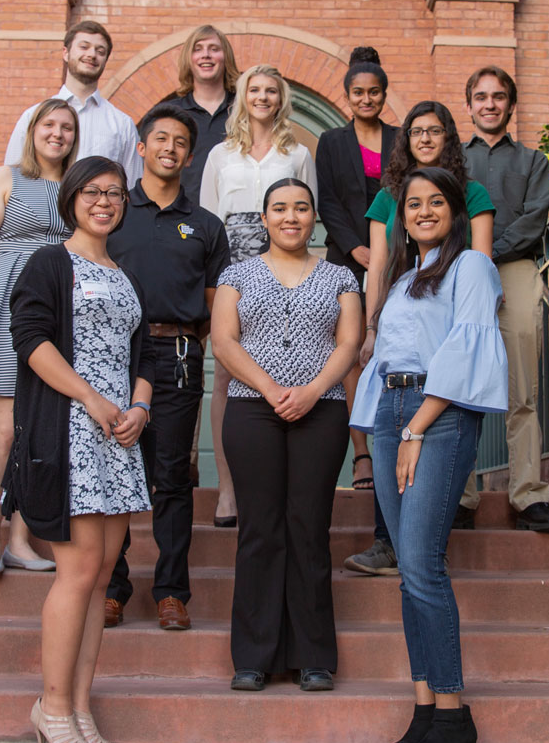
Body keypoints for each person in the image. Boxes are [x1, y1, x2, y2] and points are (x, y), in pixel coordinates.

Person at [350, 166, 507, 743]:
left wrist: (417, 426)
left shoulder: (471, 266)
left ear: (454, 209)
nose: (421, 211)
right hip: (393, 412)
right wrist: (389, 425)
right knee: (407, 572)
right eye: (411, 203)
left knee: (421, 563)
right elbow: (388, 354)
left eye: (434, 201)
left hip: (436, 415)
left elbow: (467, 345)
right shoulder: (400, 277)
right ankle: (423, 709)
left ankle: (453, 716)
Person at [9, 156, 155, 743]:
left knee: (102, 574)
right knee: (77, 571)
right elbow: (32, 340)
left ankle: (79, 703)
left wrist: (140, 408)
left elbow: (141, 354)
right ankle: (51, 706)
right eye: (93, 192)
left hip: (117, 438)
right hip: (68, 429)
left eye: (115, 193)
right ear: (71, 198)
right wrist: (91, 397)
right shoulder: (48, 262)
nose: (105, 201)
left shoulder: (123, 273)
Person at [212, 178, 362, 693]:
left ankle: (312, 656)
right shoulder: (237, 274)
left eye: (301, 208)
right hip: (254, 409)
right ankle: (253, 656)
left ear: (314, 217)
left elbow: (349, 343)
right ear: (265, 217)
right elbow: (224, 341)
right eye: (280, 208)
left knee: (308, 526)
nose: (291, 217)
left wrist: (313, 389)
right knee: (260, 529)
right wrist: (272, 387)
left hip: (321, 410)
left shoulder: (341, 277)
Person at [347, 101, 493, 560]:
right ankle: (390, 542)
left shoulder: (470, 194)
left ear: (449, 137)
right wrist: (373, 328)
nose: (425, 139)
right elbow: (380, 268)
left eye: (435, 131)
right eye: (415, 131)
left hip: (447, 325)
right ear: (404, 140)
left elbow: (481, 261)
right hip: (398, 319)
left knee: (424, 550)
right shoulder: (389, 196)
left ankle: (427, 537)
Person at [103, 103, 229, 632]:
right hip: (113, 357)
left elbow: (214, 305)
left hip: (177, 356)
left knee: (172, 476)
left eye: (180, 142)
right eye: (161, 139)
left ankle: (172, 591)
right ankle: (111, 588)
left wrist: (181, 340)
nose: (169, 148)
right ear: (142, 146)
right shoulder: (111, 213)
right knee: (114, 473)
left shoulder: (205, 226)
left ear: (190, 155)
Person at [0, 98, 76, 575]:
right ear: (32, 130)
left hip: (57, 313)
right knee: (5, 432)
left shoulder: (75, 186)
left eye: (67, 127)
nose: (57, 134)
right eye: (49, 124)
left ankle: (22, 540)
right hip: (5, 306)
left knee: (38, 432)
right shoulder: (5, 178)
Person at [198, 64, 315, 529]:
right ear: (242, 97)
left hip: (282, 260)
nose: (262, 97)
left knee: (281, 366)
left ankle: (276, 488)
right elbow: (208, 221)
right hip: (231, 263)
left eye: (271, 91)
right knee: (227, 376)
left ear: (280, 98)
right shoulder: (220, 155)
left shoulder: (299, 152)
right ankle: (228, 489)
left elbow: (308, 211)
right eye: (255, 90)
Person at [461, 66, 549, 534]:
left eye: (498, 96)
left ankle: (528, 496)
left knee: (521, 387)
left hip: (514, 268)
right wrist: (474, 263)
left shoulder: (533, 161)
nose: (489, 104)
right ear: (469, 105)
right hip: (460, 273)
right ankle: (459, 496)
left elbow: (533, 218)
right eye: (481, 97)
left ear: (510, 104)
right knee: (457, 385)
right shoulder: (451, 161)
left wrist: (491, 256)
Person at [314, 48, 401, 576]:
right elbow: (328, 204)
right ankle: (361, 452)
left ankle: (387, 442)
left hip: (396, 256)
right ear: (346, 97)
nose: (366, 99)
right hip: (349, 257)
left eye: (373, 92)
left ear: (383, 96)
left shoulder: (399, 140)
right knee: (350, 351)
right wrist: (356, 250)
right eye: (357, 93)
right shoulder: (331, 141)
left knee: (385, 351)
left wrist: (385, 253)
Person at [3, 20, 143, 185]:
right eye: (84, 47)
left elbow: (132, 187)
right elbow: (11, 180)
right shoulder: (33, 116)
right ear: (66, 53)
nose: (92, 54)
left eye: (100, 51)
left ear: (105, 60)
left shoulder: (122, 124)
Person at [150, 24, 240, 204]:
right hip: (179, 216)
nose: (206, 54)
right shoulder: (170, 114)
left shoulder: (244, 110)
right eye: (198, 49)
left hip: (233, 218)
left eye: (214, 49)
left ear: (226, 57)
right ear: (189, 59)